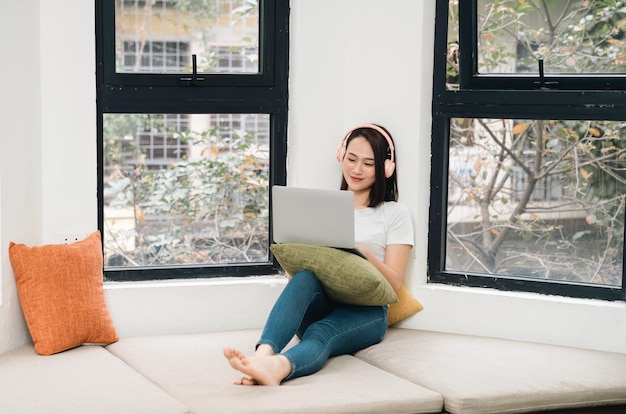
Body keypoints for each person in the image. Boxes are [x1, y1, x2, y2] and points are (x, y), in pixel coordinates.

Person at [223, 123, 414, 385]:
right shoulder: (323, 207)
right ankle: (261, 356)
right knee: (303, 277)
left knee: (321, 331)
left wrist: (364, 252)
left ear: (385, 168)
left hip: (367, 313)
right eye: (351, 159)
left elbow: (393, 285)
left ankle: (277, 368)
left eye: (368, 163)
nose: (357, 170)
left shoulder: (394, 214)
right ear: (341, 156)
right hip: (321, 302)